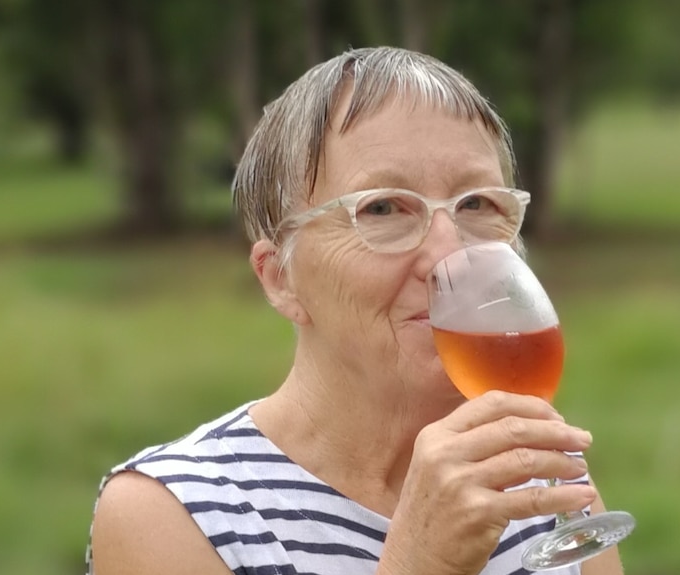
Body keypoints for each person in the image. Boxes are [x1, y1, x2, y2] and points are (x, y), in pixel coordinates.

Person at [87, 46, 625, 575]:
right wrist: (422, 563)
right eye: (384, 208)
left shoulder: (541, 484)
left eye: (477, 204)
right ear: (280, 277)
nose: (448, 255)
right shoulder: (172, 515)